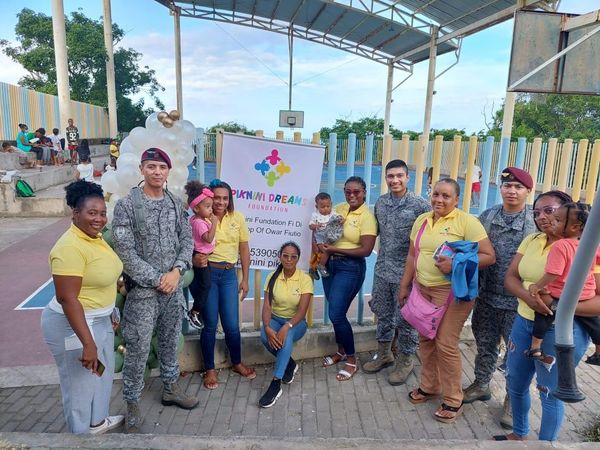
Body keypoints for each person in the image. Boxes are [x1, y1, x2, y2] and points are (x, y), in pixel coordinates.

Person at [500, 190, 600, 441]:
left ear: (570, 217)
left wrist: (556, 305)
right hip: (524, 322)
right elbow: (511, 278)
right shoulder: (532, 240)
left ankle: (546, 444)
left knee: (550, 391)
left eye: (550, 211)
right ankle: (519, 433)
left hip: (563, 329)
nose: (542, 217)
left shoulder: (588, 248)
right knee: (515, 382)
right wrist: (528, 297)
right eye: (536, 213)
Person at [112, 148, 197, 434]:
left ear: (168, 171)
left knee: (171, 341)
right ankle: (132, 404)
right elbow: (125, 251)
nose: (157, 172)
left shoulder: (176, 203)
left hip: (172, 291)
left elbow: (187, 241)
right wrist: (159, 278)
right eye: (151, 166)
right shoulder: (126, 206)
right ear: (142, 169)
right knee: (137, 349)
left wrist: (177, 272)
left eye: (162, 167)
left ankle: (171, 388)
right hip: (144, 294)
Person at [399, 178, 495, 424]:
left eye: (445, 196)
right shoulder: (422, 220)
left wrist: (456, 264)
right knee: (425, 337)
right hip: (422, 288)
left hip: (453, 292)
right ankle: (430, 386)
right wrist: (405, 285)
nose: (439, 200)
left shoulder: (467, 222)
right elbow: (413, 254)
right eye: (436, 195)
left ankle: (454, 399)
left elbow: (488, 256)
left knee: (445, 342)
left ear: (456, 199)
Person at [41, 180, 124, 434]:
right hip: (73, 325)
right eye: (91, 213)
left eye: (102, 213)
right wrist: (87, 344)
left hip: (100, 320)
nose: (99, 219)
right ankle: (79, 438)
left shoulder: (94, 238)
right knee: (79, 387)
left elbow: (100, 279)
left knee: (101, 375)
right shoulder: (69, 247)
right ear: (75, 213)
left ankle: (97, 422)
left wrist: (110, 308)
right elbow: (68, 299)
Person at [463, 167, 535, 430]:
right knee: (485, 344)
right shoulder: (488, 216)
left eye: (518, 187)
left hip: (519, 303)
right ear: (500, 189)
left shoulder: (535, 221)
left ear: (528, 191)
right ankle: (481, 384)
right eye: (507, 186)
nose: (512, 191)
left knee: (518, 354)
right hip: (488, 296)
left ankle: (512, 401)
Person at [363, 159, 431, 386]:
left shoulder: (420, 206)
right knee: (383, 313)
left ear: (407, 178)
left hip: (407, 274)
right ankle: (384, 353)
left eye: (399, 176)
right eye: (390, 176)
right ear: (385, 178)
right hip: (382, 270)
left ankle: (405, 359)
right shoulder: (381, 203)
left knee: (406, 319)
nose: (395, 180)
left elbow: (428, 240)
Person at [196, 179, 256, 390]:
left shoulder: (237, 218)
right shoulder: (201, 218)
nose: (220, 202)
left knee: (232, 325)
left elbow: (244, 249)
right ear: (210, 198)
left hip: (230, 275)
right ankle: (210, 369)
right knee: (210, 323)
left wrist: (246, 279)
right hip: (208, 274)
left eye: (225, 198)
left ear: (229, 199)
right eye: (217, 198)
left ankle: (237, 362)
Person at [527, 202, 600, 368]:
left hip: (562, 294)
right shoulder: (590, 244)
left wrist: (536, 286)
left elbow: (554, 273)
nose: (552, 222)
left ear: (574, 227)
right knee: (593, 322)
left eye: (558, 220)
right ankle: (598, 351)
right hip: (586, 294)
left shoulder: (561, 245)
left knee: (543, 315)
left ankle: (535, 348)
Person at [321, 176, 377, 381]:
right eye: (348, 191)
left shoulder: (367, 217)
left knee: (336, 313)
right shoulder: (339, 208)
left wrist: (334, 248)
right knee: (337, 312)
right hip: (330, 264)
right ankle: (341, 350)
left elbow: (366, 250)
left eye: (356, 192)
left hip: (350, 268)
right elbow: (325, 230)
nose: (351, 195)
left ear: (364, 192)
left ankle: (352, 360)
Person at [259, 241, 313, 408]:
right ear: (280, 257)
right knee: (263, 336)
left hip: (296, 323)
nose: (289, 260)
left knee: (286, 338)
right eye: (285, 256)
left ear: (298, 259)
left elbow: (301, 312)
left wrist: (287, 326)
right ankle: (290, 364)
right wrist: (267, 326)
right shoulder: (272, 277)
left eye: (293, 257)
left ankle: (276, 383)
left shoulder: (304, 279)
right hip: (275, 319)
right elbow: (267, 306)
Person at [184, 181, 217, 330]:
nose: (211, 210)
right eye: (208, 207)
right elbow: (208, 238)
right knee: (206, 285)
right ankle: (195, 312)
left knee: (203, 285)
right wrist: (214, 223)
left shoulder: (197, 219)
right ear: (196, 208)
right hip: (200, 256)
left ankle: (196, 311)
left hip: (202, 254)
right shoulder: (198, 222)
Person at [308, 192, 344, 279]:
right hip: (320, 236)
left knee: (320, 254)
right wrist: (315, 226)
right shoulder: (315, 215)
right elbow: (310, 226)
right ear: (317, 207)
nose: (326, 209)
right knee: (325, 251)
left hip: (330, 237)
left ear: (331, 204)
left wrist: (342, 220)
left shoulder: (333, 213)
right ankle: (321, 266)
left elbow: (340, 218)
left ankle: (313, 269)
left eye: (328, 206)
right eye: (323, 207)